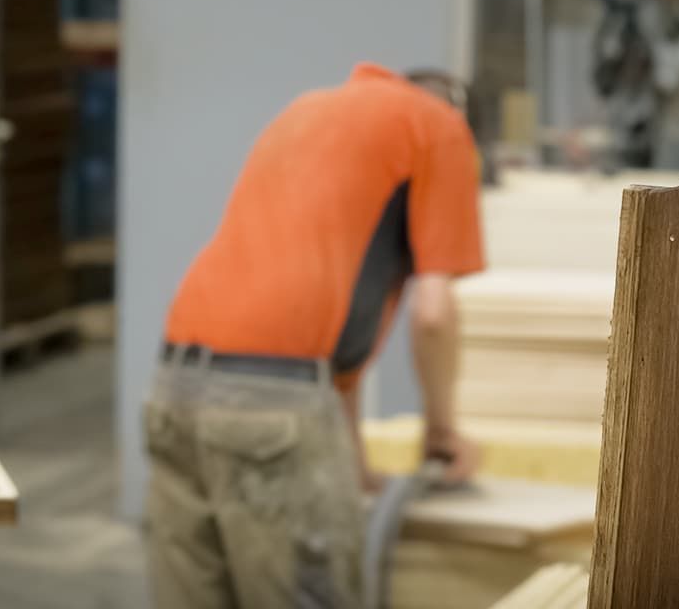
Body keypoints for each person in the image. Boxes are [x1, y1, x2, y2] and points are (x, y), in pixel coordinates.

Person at [144, 62, 485, 609]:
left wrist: (356, 469)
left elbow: (329, 366)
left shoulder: (308, 113)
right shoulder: (439, 126)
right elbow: (433, 312)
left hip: (174, 392)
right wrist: (442, 431)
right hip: (271, 408)